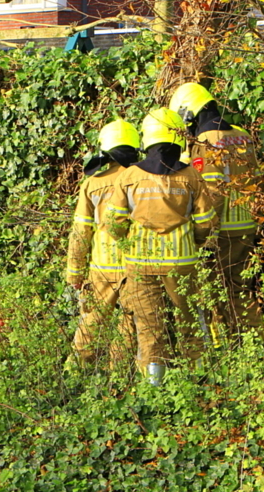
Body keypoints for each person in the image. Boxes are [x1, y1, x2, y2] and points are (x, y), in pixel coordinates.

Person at [104, 108, 217, 385]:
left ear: (147, 139)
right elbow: (206, 222)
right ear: (179, 138)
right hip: (182, 261)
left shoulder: (128, 176)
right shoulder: (191, 176)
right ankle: (199, 381)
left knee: (149, 328)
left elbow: (112, 221)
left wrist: (127, 240)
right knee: (189, 321)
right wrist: (196, 242)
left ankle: (155, 388)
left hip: (141, 264)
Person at [170, 82, 263, 335]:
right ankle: (251, 349)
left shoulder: (207, 141)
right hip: (246, 225)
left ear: (189, 114)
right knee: (240, 289)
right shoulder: (242, 135)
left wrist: (206, 237)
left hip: (222, 232)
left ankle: (251, 350)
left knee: (221, 293)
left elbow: (213, 193)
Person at [65, 119, 141, 366]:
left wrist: (74, 274)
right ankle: (118, 377)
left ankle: (76, 371)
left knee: (92, 320)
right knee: (129, 323)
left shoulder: (92, 184)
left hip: (101, 266)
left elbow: (80, 232)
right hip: (134, 265)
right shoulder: (143, 178)